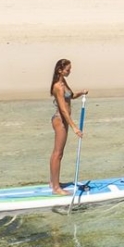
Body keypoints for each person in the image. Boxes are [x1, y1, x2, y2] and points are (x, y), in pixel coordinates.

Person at [49, 58, 88, 194]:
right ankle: (55, 187)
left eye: (70, 69)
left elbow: (70, 96)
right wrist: (74, 127)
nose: (69, 72)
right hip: (60, 121)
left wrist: (81, 93)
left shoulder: (63, 82)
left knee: (59, 153)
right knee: (57, 153)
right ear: (60, 70)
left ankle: (54, 182)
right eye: (67, 70)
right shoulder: (57, 87)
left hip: (64, 121)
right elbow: (63, 109)